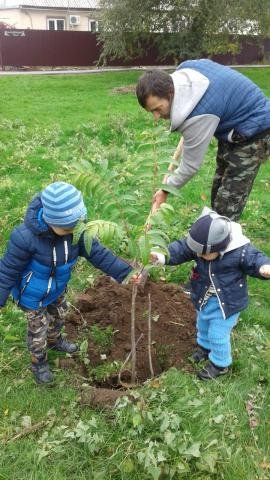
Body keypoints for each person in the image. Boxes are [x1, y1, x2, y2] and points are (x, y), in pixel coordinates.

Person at [0, 182, 133, 385]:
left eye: (76, 225)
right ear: (49, 220)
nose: (73, 230)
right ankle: (39, 362)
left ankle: (55, 340)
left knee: (60, 314)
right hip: (32, 297)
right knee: (38, 331)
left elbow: (98, 254)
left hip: (57, 289)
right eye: (67, 227)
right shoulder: (24, 238)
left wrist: (124, 272)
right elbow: (7, 270)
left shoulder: (76, 232)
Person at [136, 59, 270, 221]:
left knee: (228, 202)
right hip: (233, 124)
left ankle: (224, 238)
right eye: (152, 111)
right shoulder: (185, 69)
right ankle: (216, 230)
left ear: (170, 93)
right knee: (219, 185)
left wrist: (165, 190)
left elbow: (190, 166)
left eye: (158, 109)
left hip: (256, 130)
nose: (156, 117)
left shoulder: (199, 116)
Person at [150, 207, 270, 380]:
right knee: (202, 324)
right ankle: (204, 348)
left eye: (203, 254)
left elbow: (255, 259)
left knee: (218, 334)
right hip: (204, 297)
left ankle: (220, 364)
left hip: (227, 304)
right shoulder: (203, 246)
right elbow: (182, 249)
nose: (198, 255)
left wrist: (263, 267)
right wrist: (162, 256)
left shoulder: (241, 252)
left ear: (220, 248)